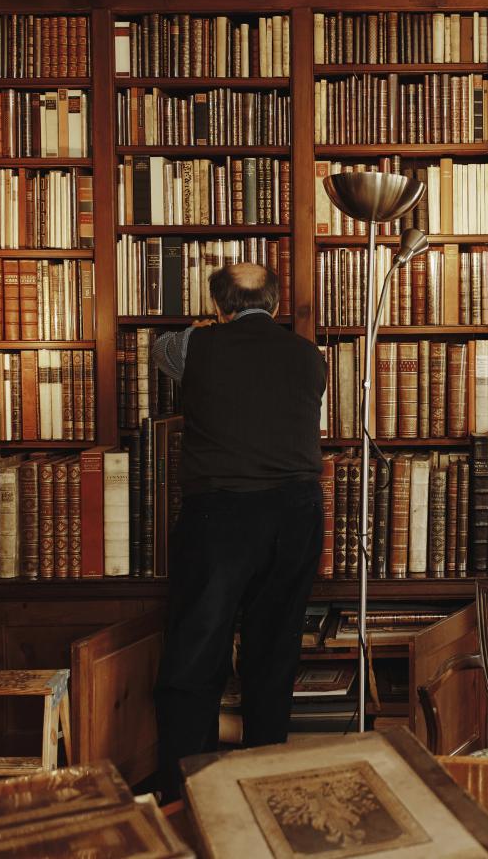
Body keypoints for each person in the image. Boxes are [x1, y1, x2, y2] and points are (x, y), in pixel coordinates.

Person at [149, 262, 327, 801]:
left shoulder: (193, 348)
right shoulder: (309, 356)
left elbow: (161, 350)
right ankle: (266, 781)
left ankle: (188, 793)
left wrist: (210, 329)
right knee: (273, 653)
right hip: (296, 513)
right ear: (274, 305)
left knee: (196, 654)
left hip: (221, 516)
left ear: (219, 306)